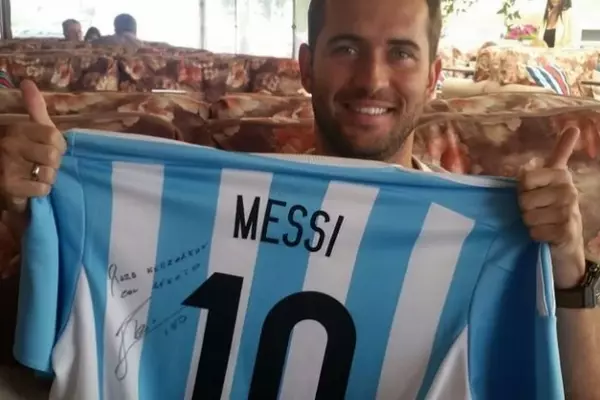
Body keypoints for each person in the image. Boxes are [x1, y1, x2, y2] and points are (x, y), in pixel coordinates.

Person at [0, 0, 598, 397]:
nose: (372, 79)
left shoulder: (487, 235)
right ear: (307, 67)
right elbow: (48, 358)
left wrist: (568, 267)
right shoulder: (180, 201)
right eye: (346, 48)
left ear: (434, 75)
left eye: (400, 52)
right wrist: (44, 213)